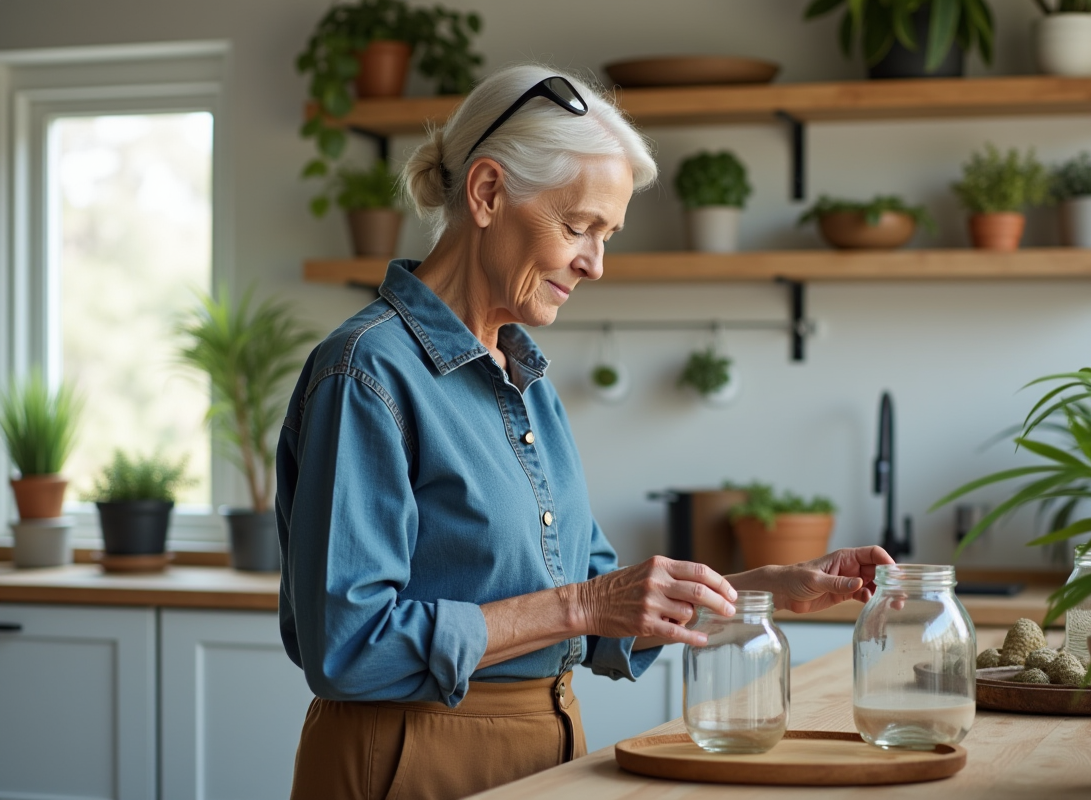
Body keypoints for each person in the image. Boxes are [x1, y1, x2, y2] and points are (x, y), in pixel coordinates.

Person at [277, 63, 893, 800]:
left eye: (607, 235)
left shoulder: (525, 382)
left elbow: (597, 605)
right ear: (486, 192)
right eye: (578, 227)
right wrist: (581, 607)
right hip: (411, 760)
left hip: (548, 751)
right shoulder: (366, 373)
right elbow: (349, 648)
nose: (595, 264)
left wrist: (760, 591)